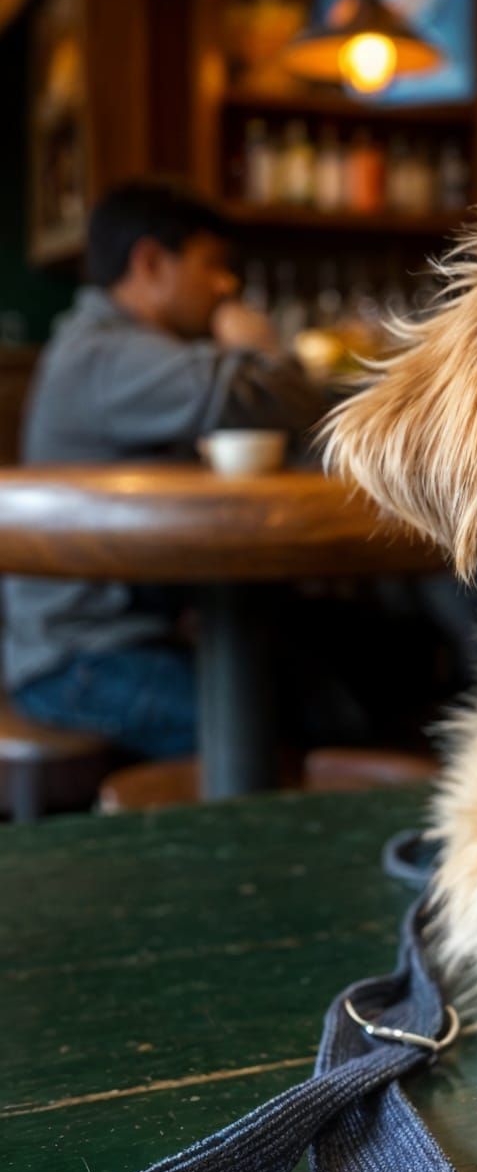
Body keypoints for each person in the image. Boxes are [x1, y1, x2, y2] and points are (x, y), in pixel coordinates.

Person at [2, 179, 329, 757]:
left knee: (317, 689)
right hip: (79, 660)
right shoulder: (108, 355)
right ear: (150, 262)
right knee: (258, 731)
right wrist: (264, 348)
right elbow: (258, 398)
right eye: (212, 265)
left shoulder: (111, 347)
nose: (226, 286)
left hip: (126, 637)